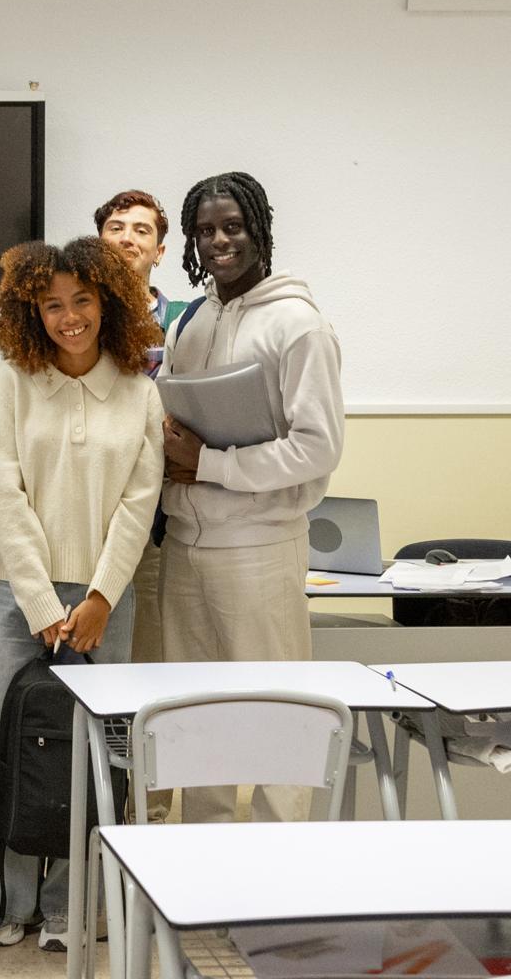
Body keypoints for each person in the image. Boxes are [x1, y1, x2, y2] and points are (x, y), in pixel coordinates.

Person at [0, 238, 163, 951]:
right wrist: (42, 604)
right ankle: (4, 904)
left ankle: (68, 905)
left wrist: (99, 597)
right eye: (51, 304)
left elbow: (139, 503)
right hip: (18, 598)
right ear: (32, 311)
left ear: (107, 301)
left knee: (95, 756)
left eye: (81, 300)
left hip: (102, 602)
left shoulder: (141, 390)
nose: (68, 317)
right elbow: (5, 494)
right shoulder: (13, 383)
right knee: (6, 746)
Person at [159, 172, 344, 824]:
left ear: (260, 226)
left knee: (276, 716)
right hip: (186, 546)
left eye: (232, 225)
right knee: (196, 717)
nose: (219, 241)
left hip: (260, 548)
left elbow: (318, 447)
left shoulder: (298, 324)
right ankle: (208, 873)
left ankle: (278, 887)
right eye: (205, 230)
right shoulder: (195, 315)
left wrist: (207, 463)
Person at [93, 188, 188, 823]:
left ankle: (149, 814)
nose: (128, 237)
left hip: (155, 524)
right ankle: (86, 808)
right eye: (116, 227)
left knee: (151, 671)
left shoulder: (185, 320)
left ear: (160, 249)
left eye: (141, 230)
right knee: (92, 681)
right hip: (81, 523)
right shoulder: (73, 314)